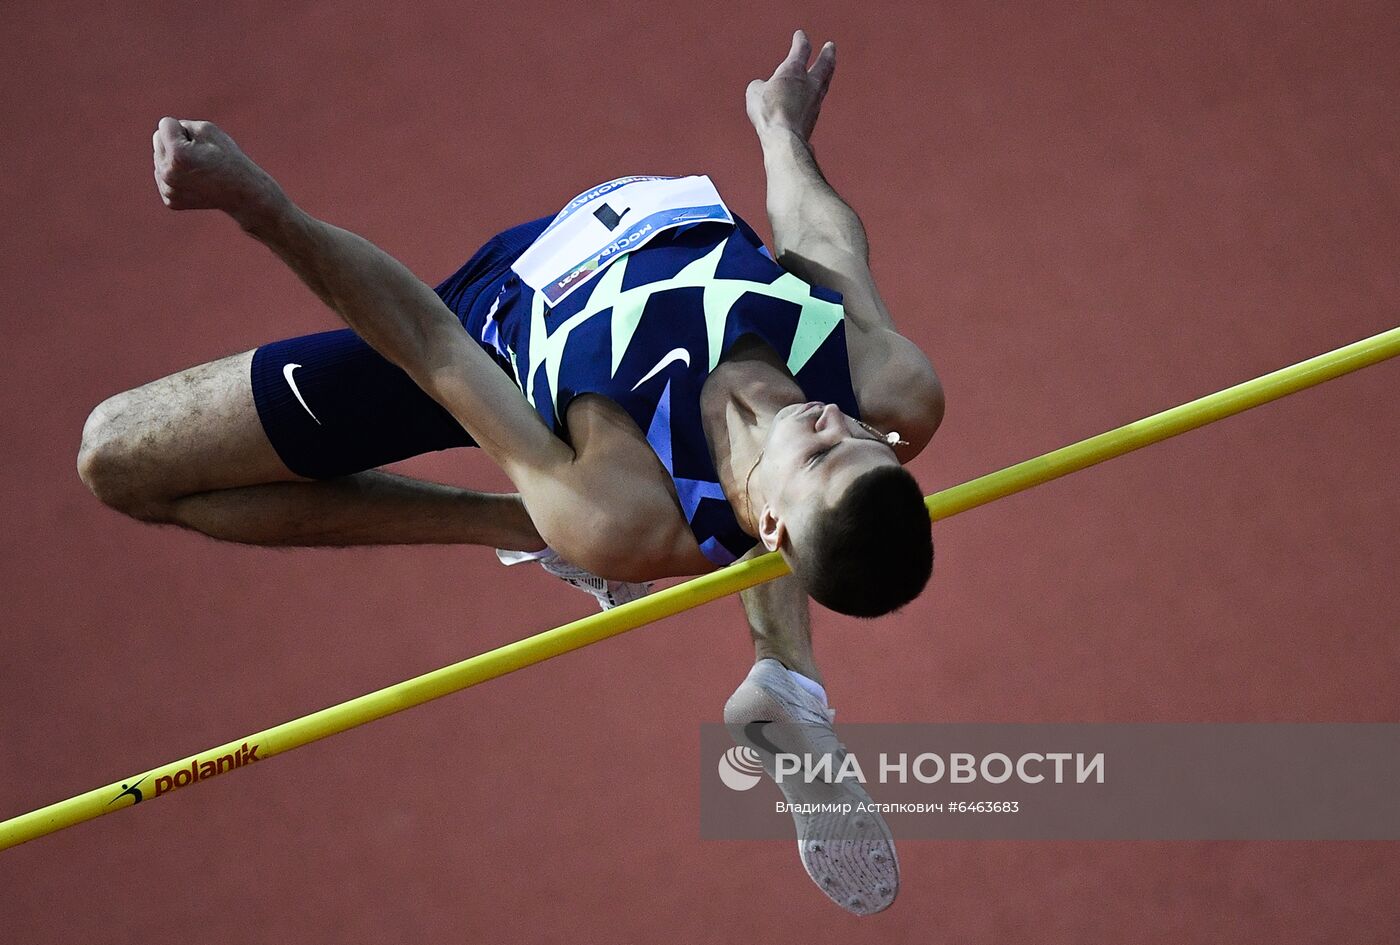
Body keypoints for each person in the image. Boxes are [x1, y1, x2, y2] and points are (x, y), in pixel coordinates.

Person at [77, 31, 942, 914]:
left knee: (116, 457)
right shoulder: (884, 386)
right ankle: (779, 676)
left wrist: (260, 206)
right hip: (664, 278)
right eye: (868, 442)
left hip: (488, 327)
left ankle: (526, 526)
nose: (838, 421)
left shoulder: (617, 501)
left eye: (827, 450)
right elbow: (817, 236)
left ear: (774, 531)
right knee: (117, 458)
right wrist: (778, 127)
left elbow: (427, 340)